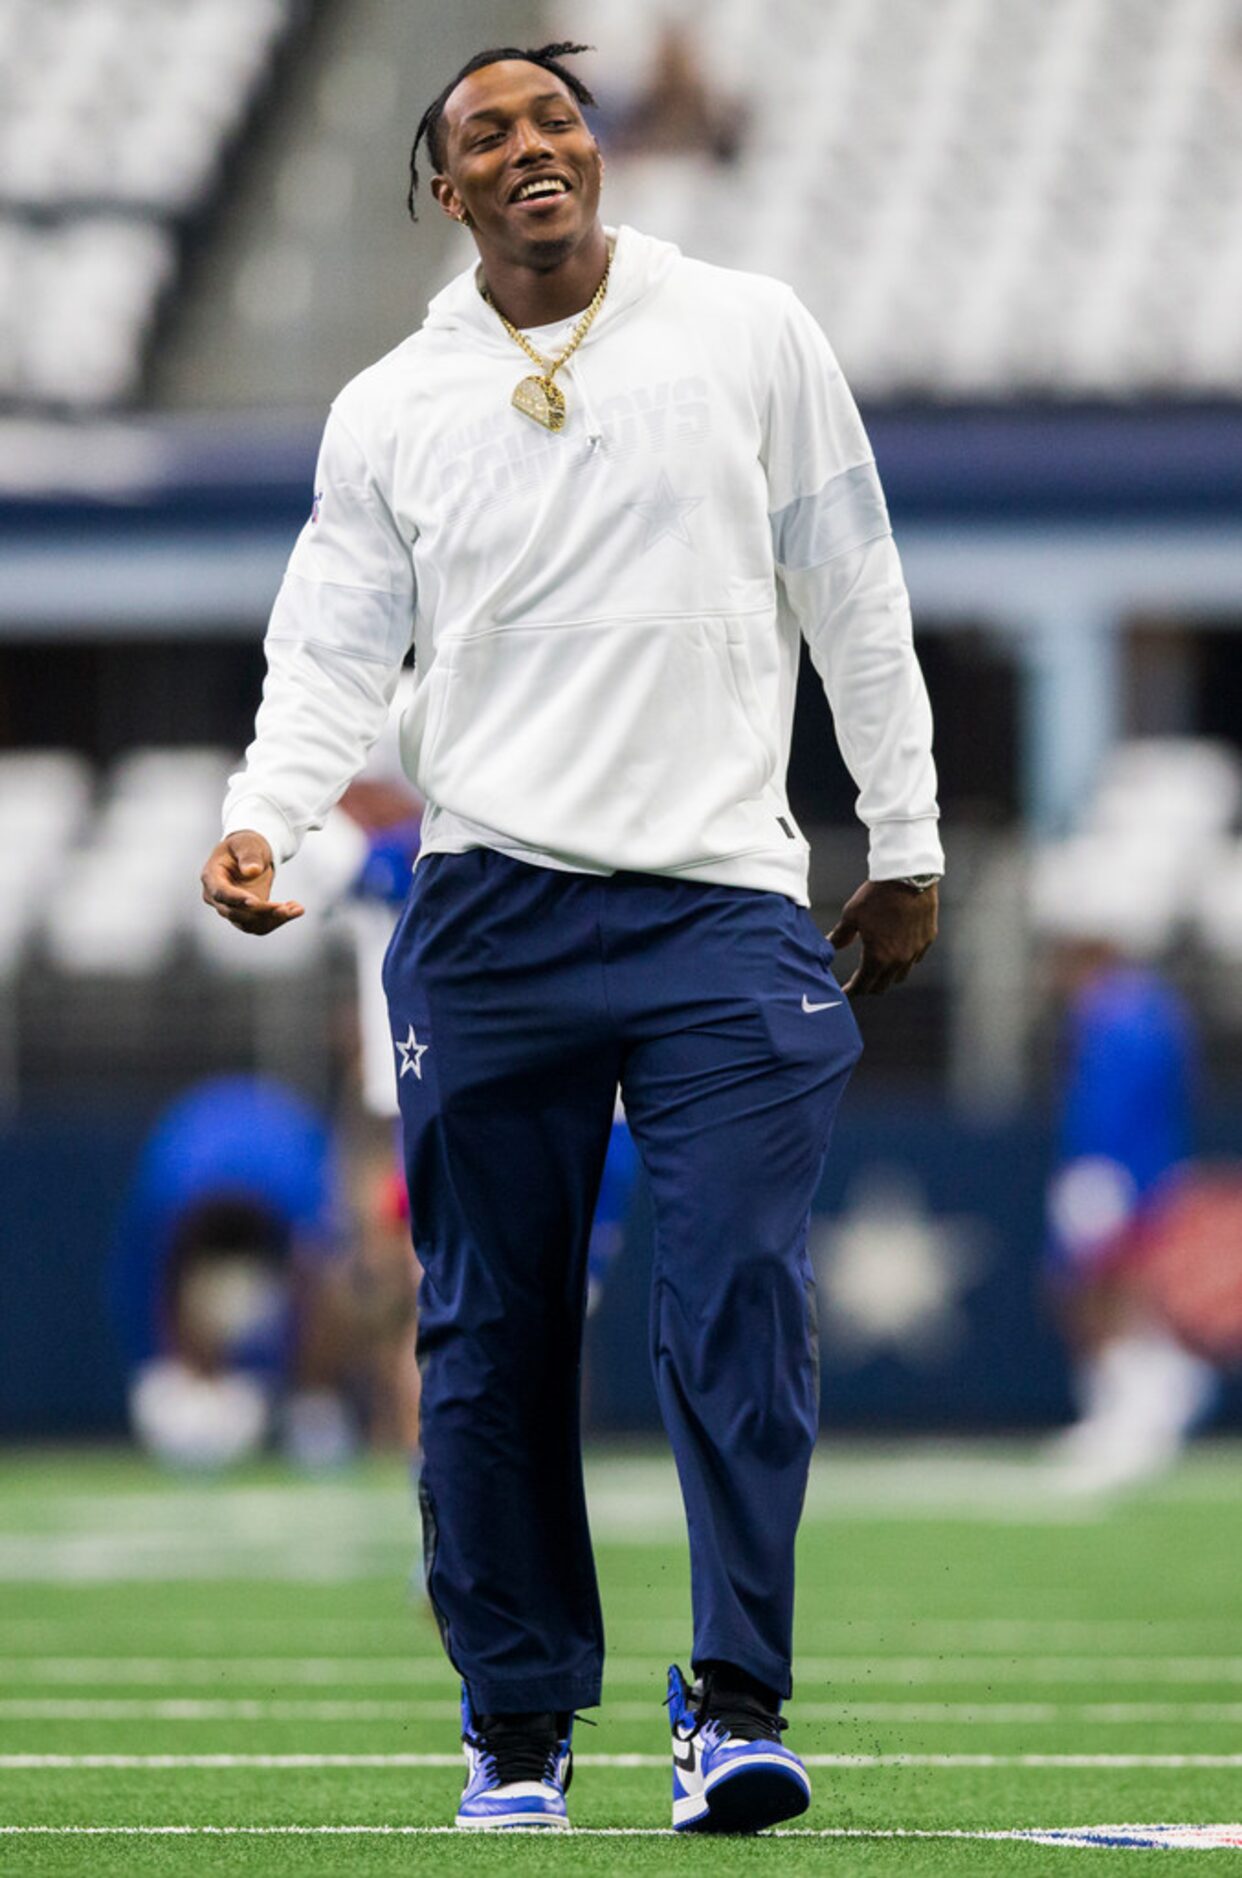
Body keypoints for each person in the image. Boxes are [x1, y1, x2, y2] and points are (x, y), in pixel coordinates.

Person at [200, 41, 942, 1834]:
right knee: (489, 1328)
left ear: (592, 148)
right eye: (486, 135)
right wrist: (263, 813)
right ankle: (517, 1720)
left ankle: (735, 1705)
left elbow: (853, 584)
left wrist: (904, 834)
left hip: (720, 908)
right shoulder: (390, 404)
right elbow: (329, 650)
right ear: (444, 190)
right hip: (492, 913)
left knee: (739, 1296)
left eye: (552, 118)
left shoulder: (749, 329)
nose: (531, 147)